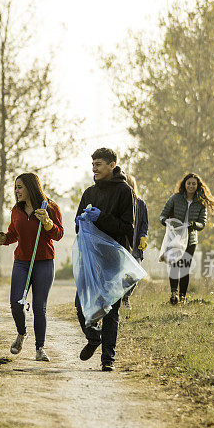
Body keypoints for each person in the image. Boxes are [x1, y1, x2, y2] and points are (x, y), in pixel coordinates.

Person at [75, 148, 136, 372]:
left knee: (111, 309)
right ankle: (94, 338)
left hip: (114, 258)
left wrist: (102, 217)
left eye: (99, 164)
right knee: (81, 305)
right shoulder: (89, 192)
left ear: (112, 165)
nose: (94, 168)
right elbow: (76, 225)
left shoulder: (124, 192)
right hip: (91, 258)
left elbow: (127, 227)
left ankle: (107, 359)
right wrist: (81, 221)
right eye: (93, 164)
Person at [0, 172, 64, 361]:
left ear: (31, 187)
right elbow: (13, 234)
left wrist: (48, 223)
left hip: (44, 262)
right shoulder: (16, 210)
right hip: (22, 262)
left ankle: (40, 348)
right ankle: (21, 333)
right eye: (15, 187)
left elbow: (58, 234)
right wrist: (3, 239)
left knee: (39, 307)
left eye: (20, 187)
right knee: (16, 303)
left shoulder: (50, 207)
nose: (16, 191)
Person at [159, 172, 214, 305]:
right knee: (175, 264)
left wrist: (194, 225)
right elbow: (163, 214)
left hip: (190, 239)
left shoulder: (201, 203)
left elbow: (202, 223)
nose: (191, 186)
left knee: (184, 266)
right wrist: (164, 221)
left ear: (197, 186)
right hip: (175, 237)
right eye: (189, 183)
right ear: (184, 184)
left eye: (194, 184)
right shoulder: (175, 198)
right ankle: (174, 294)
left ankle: (183, 296)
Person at [121, 173, 149, 310]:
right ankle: (117, 300)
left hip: (135, 247)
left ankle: (125, 296)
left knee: (134, 275)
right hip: (121, 246)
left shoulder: (141, 204)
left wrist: (143, 236)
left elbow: (144, 224)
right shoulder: (118, 203)